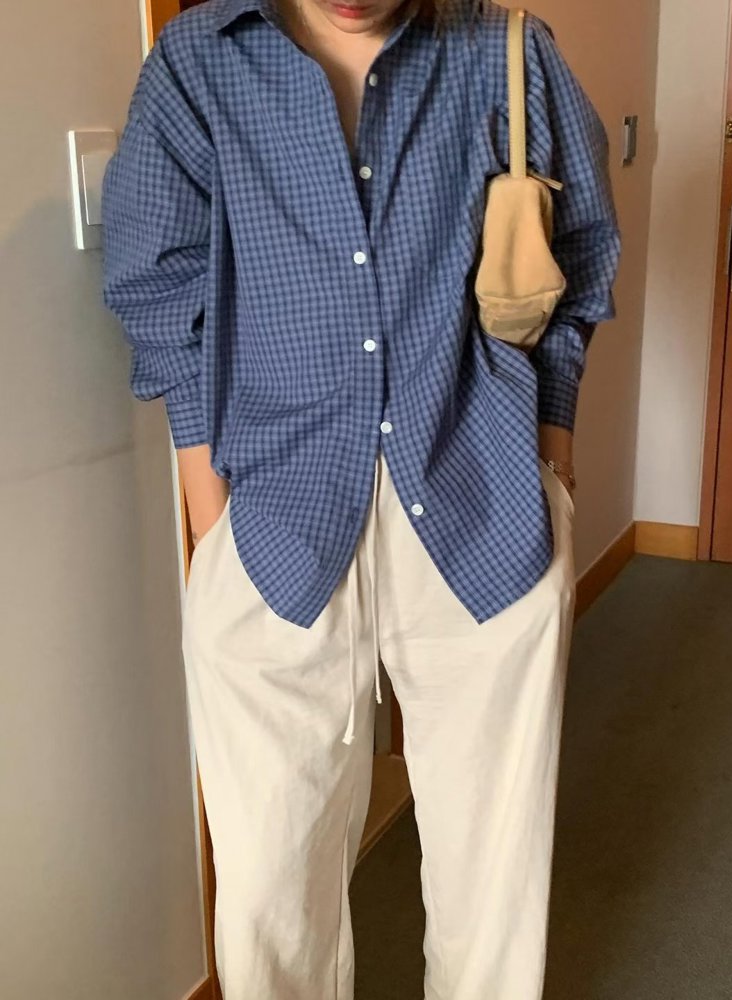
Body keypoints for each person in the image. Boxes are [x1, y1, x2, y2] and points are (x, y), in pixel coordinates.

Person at [101, 0, 621, 995]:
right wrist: (210, 519)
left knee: (494, 878)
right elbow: (160, 288)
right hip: (272, 521)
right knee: (267, 894)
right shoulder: (200, 63)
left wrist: (552, 461)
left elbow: (581, 253)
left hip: (484, 501)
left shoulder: (505, 50)